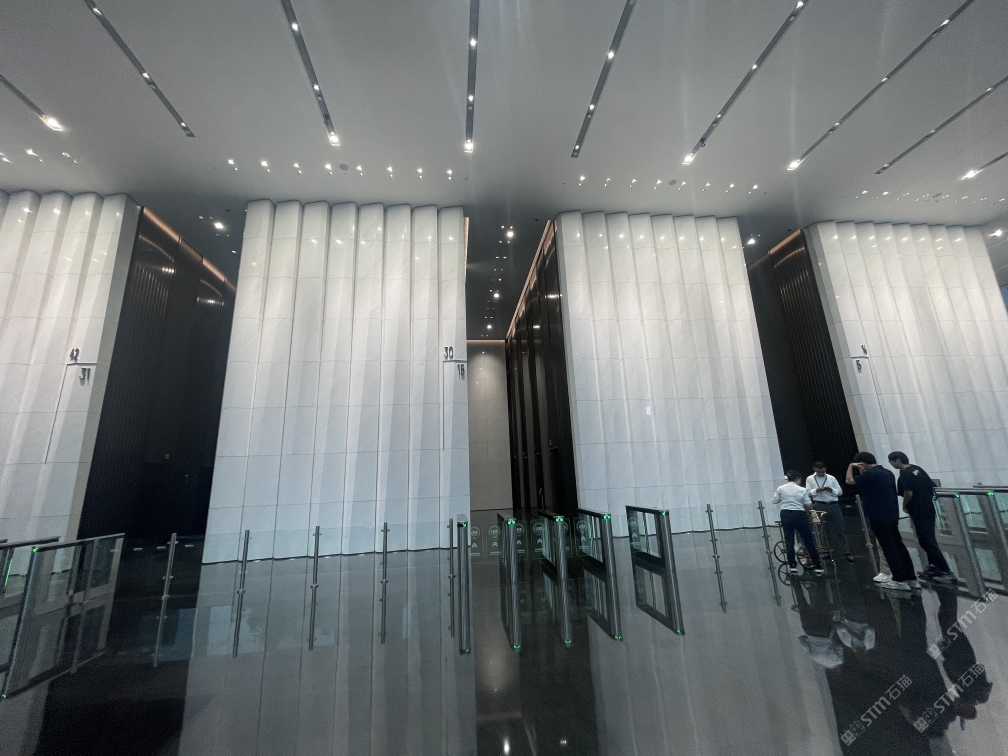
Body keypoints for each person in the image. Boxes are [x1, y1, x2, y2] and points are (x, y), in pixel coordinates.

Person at [845, 452, 918, 591]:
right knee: (899, 546)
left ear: (862, 463)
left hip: (878, 516)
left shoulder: (871, 474)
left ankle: (899, 579)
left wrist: (851, 466)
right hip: (892, 514)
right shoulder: (887, 473)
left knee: (889, 548)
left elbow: (849, 481)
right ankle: (911, 578)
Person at [887, 451, 954, 583]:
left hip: (919, 509)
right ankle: (933, 566)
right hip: (927, 508)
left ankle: (945, 570)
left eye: (892, 462)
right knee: (927, 538)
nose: (892, 465)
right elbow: (932, 486)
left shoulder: (906, 473)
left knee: (926, 540)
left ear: (898, 460)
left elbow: (908, 492)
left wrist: (904, 505)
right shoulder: (917, 469)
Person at [773, 470, 825, 576]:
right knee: (808, 539)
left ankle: (792, 565)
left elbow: (775, 500)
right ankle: (817, 565)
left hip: (785, 514)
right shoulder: (802, 489)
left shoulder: (781, 488)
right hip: (799, 514)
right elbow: (808, 504)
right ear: (797, 478)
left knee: (789, 540)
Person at [805, 461, 853, 563]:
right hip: (818, 504)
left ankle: (846, 552)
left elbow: (840, 492)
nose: (821, 474)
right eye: (819, 472)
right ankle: (826, 551)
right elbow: (807, 492)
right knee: (821, 529)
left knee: (840, 529)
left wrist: (831, 490)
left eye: (823, 472)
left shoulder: (831, 478)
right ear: (814, 469)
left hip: (833, 505)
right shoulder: (809, 479)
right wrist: (817, 490)